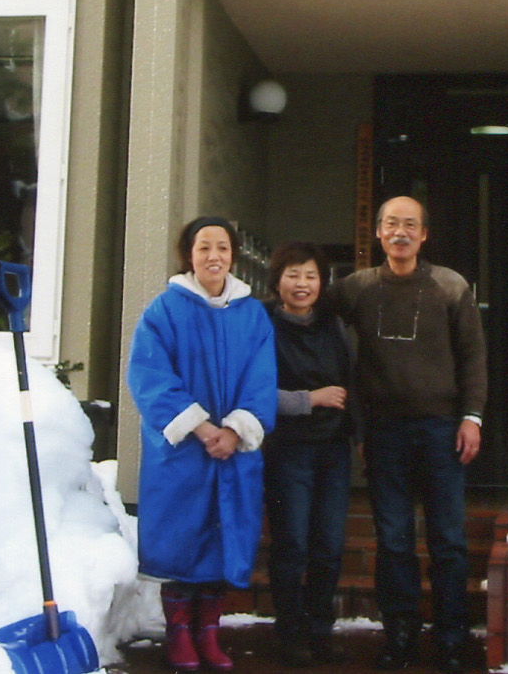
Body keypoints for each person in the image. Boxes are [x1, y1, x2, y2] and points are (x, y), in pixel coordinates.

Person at [331, 196, 487, 674]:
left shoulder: (449, 286)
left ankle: (451, 637)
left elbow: (473, 357)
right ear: (378, 232)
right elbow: (305, 310)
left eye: (410, 225)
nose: (400, 232)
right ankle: (399, 634)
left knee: (447, 539)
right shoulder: (357, 288)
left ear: (424, 235)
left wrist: (472, 417)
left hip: (442, 429)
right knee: (394, 538)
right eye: (392, 224)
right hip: (384, 432)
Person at [126, 217, 278, 672]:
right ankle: (179, 634)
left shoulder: (253, 315)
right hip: (182, 454)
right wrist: (200, 427)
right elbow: (149, 376)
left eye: (223, 248)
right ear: (188, 255)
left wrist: (235, 430)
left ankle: (209, 634)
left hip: (233, 451)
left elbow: (262, 379)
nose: (214, 256)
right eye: (204, 247)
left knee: (221, 541)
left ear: (233, 255)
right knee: (181, 541)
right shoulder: (164, 311)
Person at [262, 242, 358, 667]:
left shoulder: (333, 324)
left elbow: (352, 380)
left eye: (311, 276)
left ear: (323, 282)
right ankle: (289, 632)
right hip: (288, 449)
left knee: (329, 544)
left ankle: (320, 629)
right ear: (277, 280)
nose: (302, 284)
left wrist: (357, 435)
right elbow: (254, 392)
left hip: (333, 449)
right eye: (293, 275)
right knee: (292, 543)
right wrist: (310, 398)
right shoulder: (263, 324)